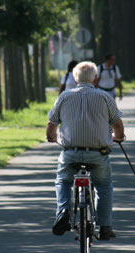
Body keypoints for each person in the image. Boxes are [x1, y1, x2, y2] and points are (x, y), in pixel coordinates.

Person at [46, 61, 125, 241]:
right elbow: (117, 124)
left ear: (74, 78)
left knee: (63, 181)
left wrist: (51, 137)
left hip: (70, 153)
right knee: (104, 186)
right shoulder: (105, 97)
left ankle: (64, 211)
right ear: (95, 78)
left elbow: (52, 124)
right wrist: (118, 137)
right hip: (98, 153)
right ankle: (105, 227)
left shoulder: (64, 97)